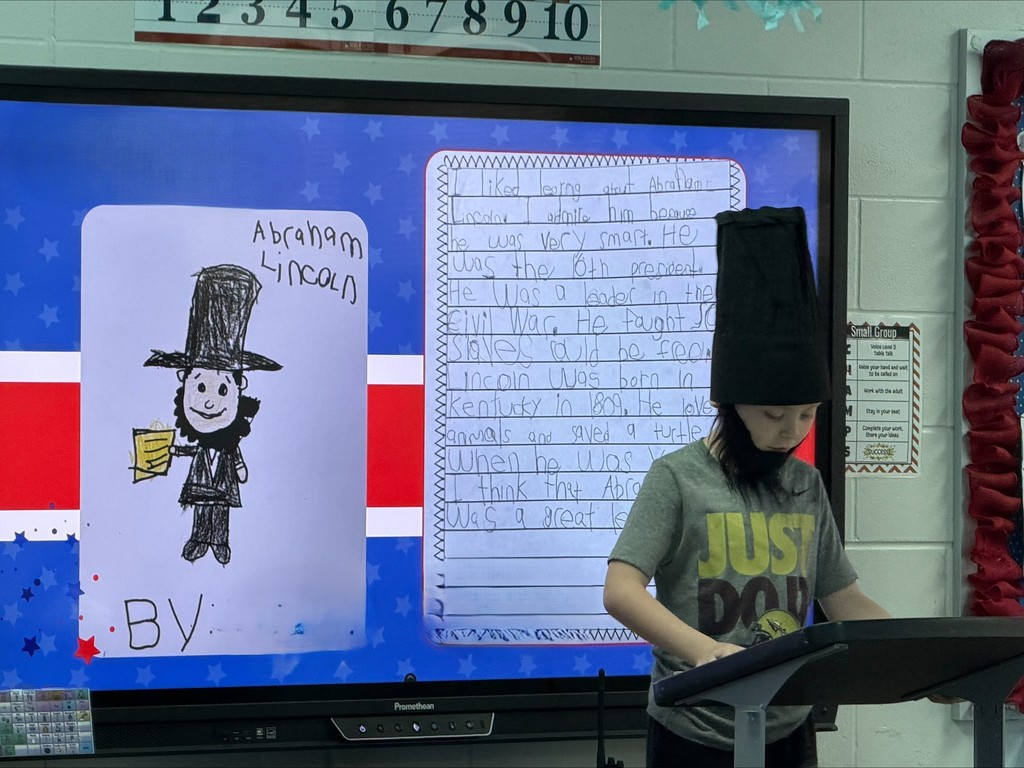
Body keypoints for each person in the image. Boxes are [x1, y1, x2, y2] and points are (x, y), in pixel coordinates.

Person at [603, 207, 890, 768]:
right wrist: (707, 653)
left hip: (788, 727)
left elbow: (842, 599)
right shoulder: (677, 478)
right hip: (693, 734)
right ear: (728, 404)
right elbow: (621, 591)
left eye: (808, 414)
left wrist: (921, 662)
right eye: (774, 413)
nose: (792, 432)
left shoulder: (806, 485)